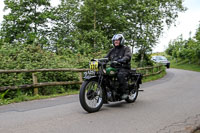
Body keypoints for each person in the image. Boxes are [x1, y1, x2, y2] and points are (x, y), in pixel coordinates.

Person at [105, 34, 132, 99]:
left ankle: (124, 92)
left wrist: (122, 60)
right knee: (105, 75)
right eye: (114, 41)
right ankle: (109, 91)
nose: (115, 42)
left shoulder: (126, 48)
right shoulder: (112, 50)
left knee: (120, 75)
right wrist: (98, 61)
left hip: (124, 68)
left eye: (117, 40)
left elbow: (128, 56)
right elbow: (106, 58)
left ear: (121, 41)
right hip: (114, 68)